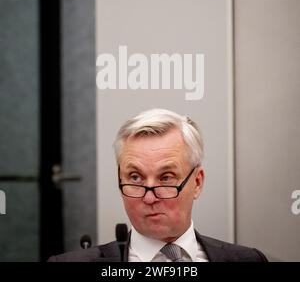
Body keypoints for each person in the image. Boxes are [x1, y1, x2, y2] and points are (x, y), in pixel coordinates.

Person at [48, 108, 267, 262]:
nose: (149, 198)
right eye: (135, 178)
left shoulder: (249, 259)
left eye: (166, 178)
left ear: (197, 183)